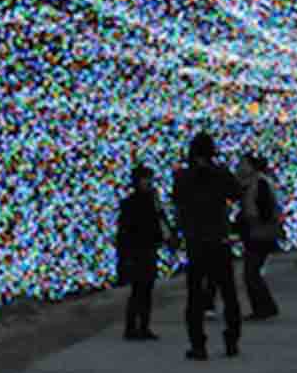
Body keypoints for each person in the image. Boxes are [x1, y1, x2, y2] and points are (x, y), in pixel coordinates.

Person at [172, 132, 243, 359]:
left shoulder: (183, 177)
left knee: (195, 295)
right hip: (219, 239)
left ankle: (198, 344)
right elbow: (237, 193)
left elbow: (178, 204)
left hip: (195, 241)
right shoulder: (221, 174)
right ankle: (231, 340)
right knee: (228, 292)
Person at [116, 165, 172, 340]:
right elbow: (124, 231)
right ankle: (132, 326)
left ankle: (143, 325)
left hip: (148, 248)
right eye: (145, 179)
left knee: (146, 288)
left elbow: (160, 222)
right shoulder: (131, 204)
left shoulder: (152, 201)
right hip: (137, 249)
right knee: (139, 289)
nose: (148, 182)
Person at [239, 154, 282, 320]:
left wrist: (250, 219)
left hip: (259, 233)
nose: (240, 167)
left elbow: (265, 210)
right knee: (252, 272)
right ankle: (265, 307)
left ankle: (264, 308)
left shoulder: (258, 183)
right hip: (258, 232)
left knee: (251, 273)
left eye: (243, 164)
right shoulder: (257, 182)